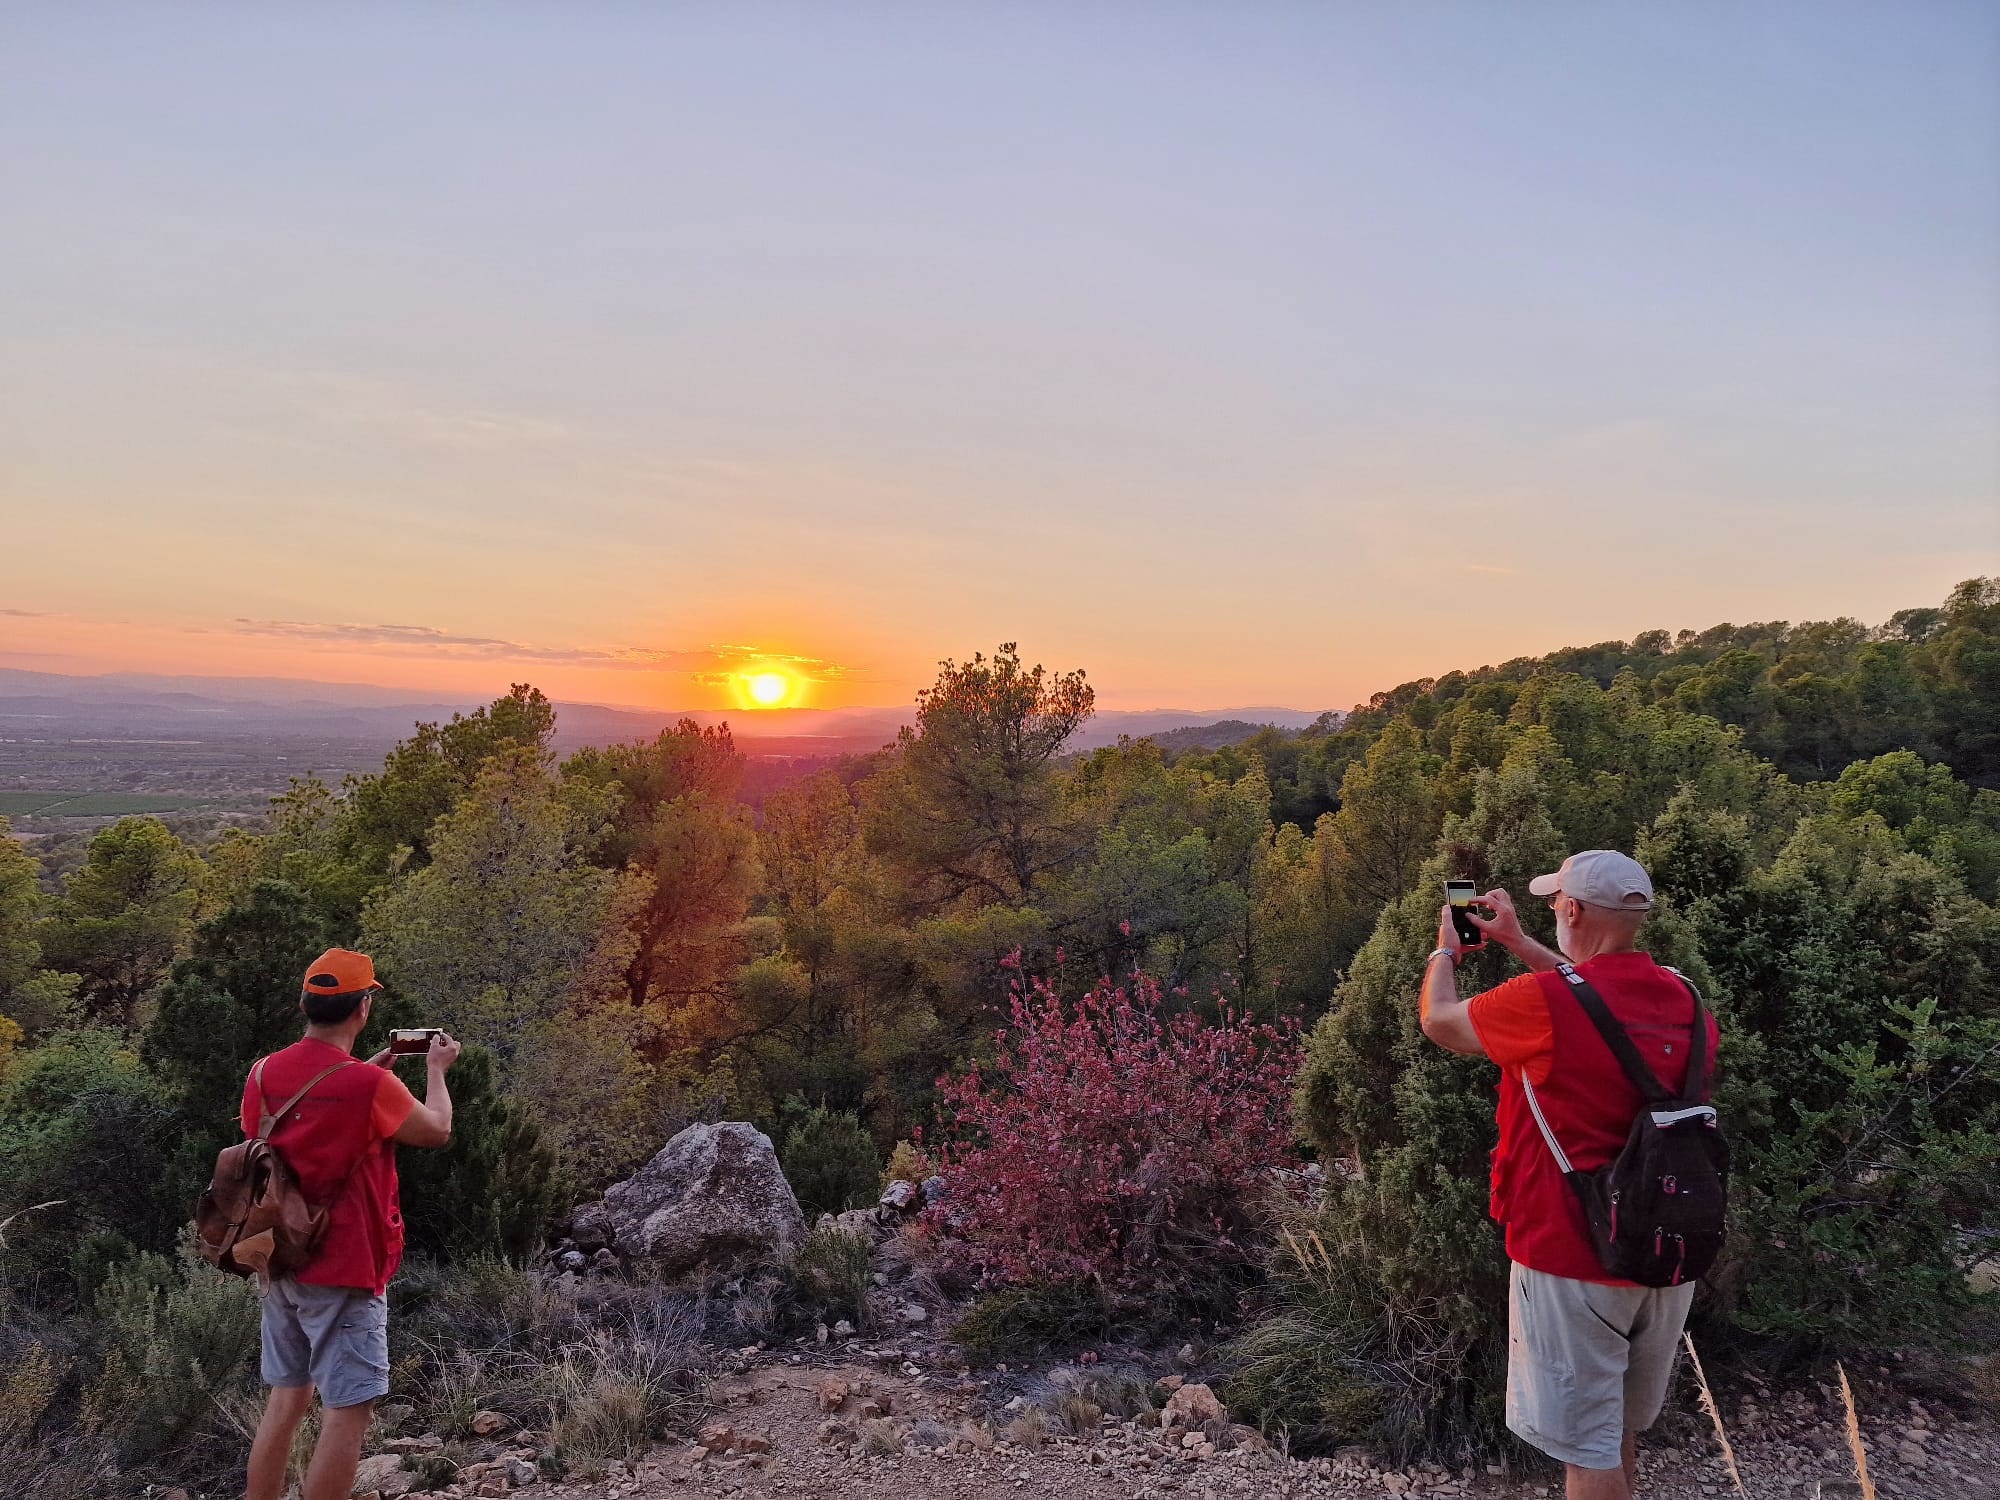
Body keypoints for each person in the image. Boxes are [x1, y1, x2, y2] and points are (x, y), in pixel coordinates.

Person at [1417, 851, 1719, 1500]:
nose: (1555, 910)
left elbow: (1440, 1022)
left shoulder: (1543, 1004)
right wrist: (1520, 942)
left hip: (1570, 1251)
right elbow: (1594, 1006)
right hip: (1666, 1249)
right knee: (1612, 1433)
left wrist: (1449, 950)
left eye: (1556, 903)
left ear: (1574, 910)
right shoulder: (1684, 997)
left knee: (1587, 1448)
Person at [241, 948, 460, 1500]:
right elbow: (434, 1130)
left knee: (287, 1396)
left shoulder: (263, 1072)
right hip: (346, 1261)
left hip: (280, 1252)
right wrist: (434, 1071)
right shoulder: (369, 1086)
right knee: (348, 1407)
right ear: (363, 1008)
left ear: (305, 1005)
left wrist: (368, 1076)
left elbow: (271, 1141)